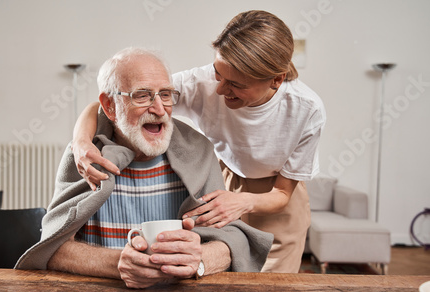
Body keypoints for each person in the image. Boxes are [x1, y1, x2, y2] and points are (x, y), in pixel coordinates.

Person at [71, 10, 326, 273]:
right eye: (218, 74)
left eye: (236, 84)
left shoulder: (306, 110)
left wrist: (242, 202)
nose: (219, 89)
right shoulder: (200, 83)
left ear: (276, 80)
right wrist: (79, 143)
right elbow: (110, 103)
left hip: (277, 197)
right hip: (224, 181)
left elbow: (283, 193)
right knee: (226, 283)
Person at [15, 47, 273, 289]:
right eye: (142, 95)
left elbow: (233, 240)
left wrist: (200, 257)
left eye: (165, 94)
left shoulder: (198, 151)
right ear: (110, 106)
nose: (159, 109)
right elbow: (53, 246)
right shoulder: (85, 157)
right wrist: (117, 264)